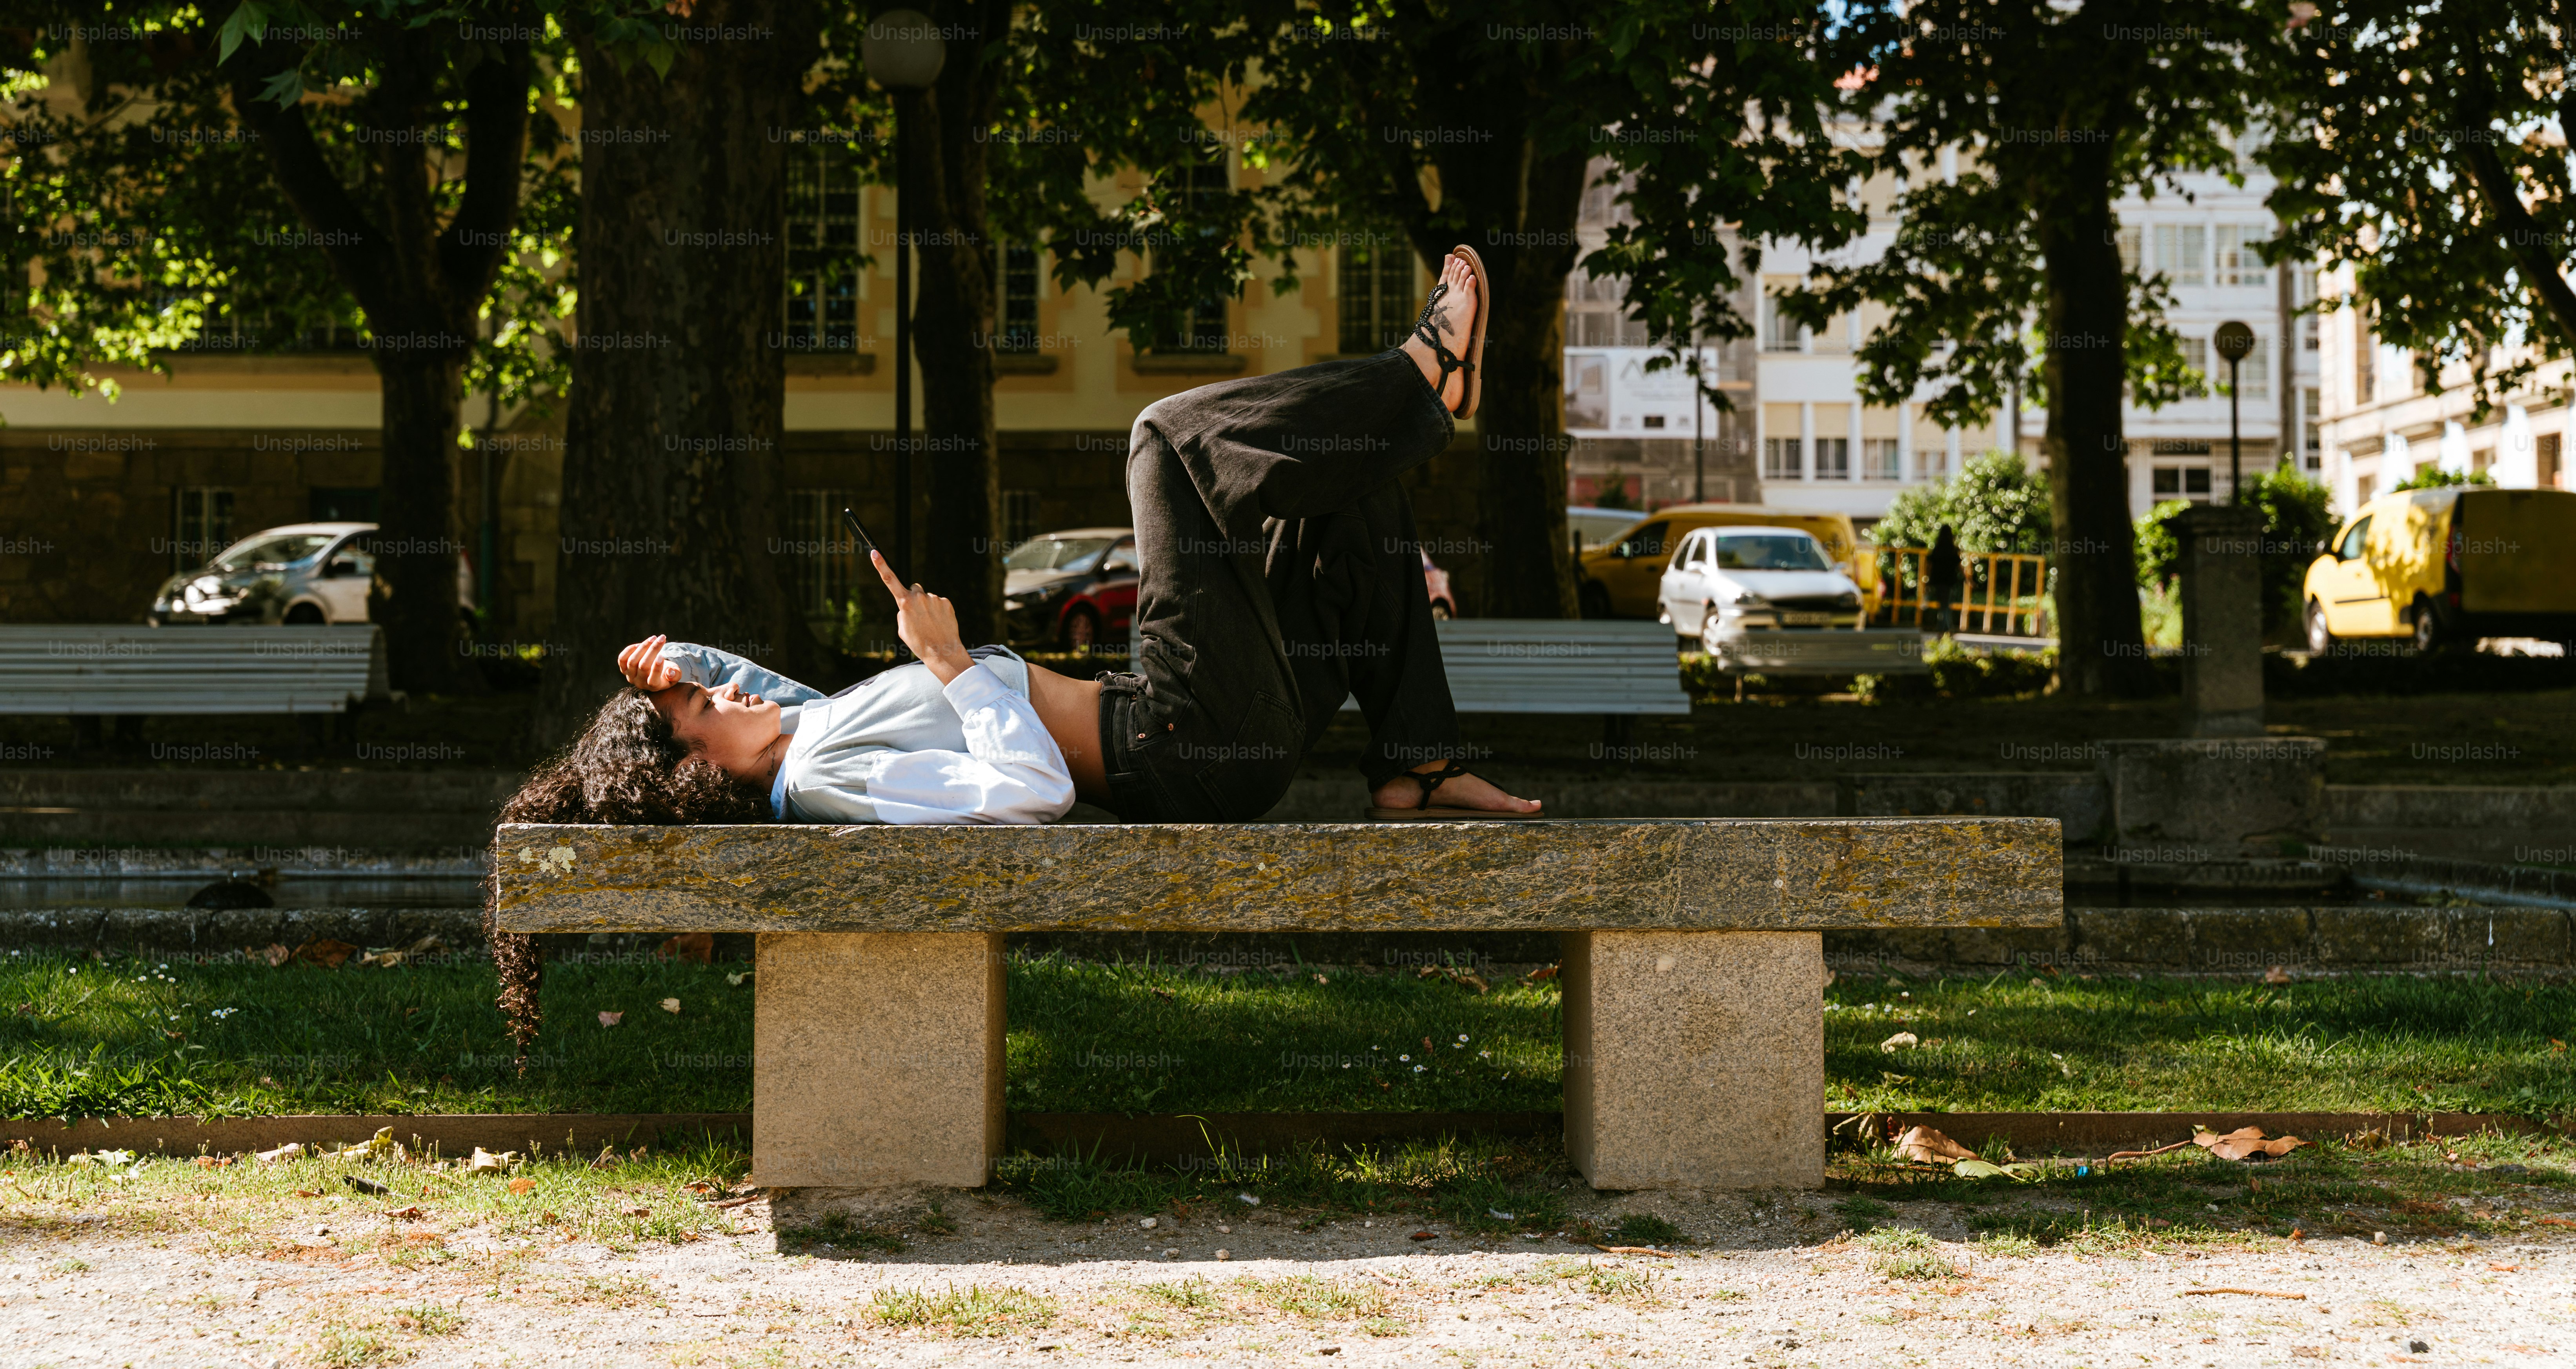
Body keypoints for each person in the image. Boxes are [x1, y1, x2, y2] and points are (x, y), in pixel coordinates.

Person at [500, 247, 1540, 828]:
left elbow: (777, 704)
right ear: (700, 771)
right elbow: (1028, 794)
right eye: (703, 707)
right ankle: (1415, 379)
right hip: (1176, 744)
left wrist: (681, 663)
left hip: (1193, 727)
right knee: (1165, 441)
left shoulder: (804, 742)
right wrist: (952, 663)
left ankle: (1419, 767)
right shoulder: (824, 780)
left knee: (1343, 495)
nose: (731, 692)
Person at [1926, 523, 1964, 635]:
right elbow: (1959, 566)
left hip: (1937, 580)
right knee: (1946, 605)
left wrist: (1928, 580)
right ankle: (1946, 629)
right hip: (1949, 581)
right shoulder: (1953, 549)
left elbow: (1930, 565)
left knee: (1943, 605)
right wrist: (1967, 579)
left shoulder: (1937, 548)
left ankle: (1944, 628)